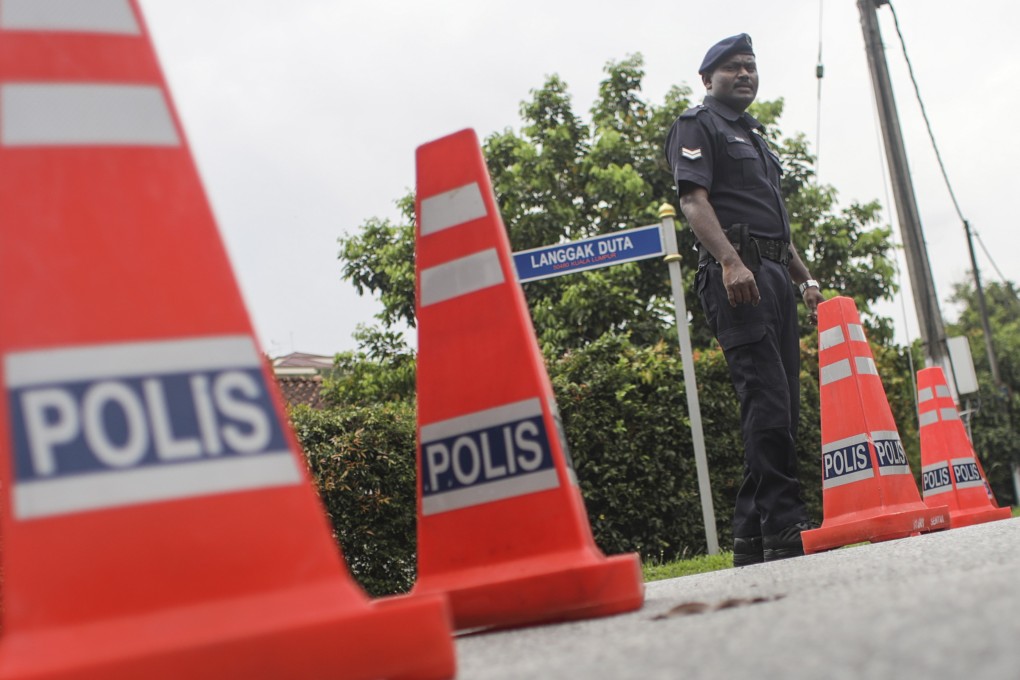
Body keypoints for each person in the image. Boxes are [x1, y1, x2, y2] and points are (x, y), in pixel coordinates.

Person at [664, 33, 824, 565]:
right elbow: (692, 200)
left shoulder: (756, 139)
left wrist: (805, 281)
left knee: (784, 404)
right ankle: (783, 523)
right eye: (732, 67)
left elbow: (776, 226)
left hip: (775, 273)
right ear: (708, 78)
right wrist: (731, 261)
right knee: (767, 399)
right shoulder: (698, 124)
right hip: (740, 275)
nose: (745, 74)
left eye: (751, 66)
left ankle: (750, 535)